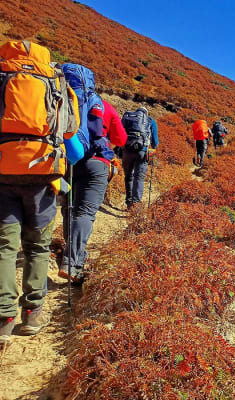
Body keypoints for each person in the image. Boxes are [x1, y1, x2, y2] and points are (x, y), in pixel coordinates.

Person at [0, 41, 79, 347]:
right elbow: (70, 129)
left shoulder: (3, 74)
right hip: (43, 171)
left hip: (3, 170)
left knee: (4, 248)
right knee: (37, 246)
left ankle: (4, 318)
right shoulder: (55, 79)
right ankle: (32, 314)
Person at [58, 63, 114, 284]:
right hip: (93, 161)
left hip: (65, 159)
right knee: (85, 213)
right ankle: (73, 262)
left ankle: (68, 255)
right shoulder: (96, 100)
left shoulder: (56, 93)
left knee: (68, 209)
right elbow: (101, 133)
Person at [121, 107, 158, 208]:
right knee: (139, 177)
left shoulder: (128, 117)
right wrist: (154, 148)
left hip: (127, 150)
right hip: (142, 151)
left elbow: (119, 132)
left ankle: (129, 202)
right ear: (146, 113)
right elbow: (155, 141)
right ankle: (136, 205)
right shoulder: (150, 120)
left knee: (128, 177)